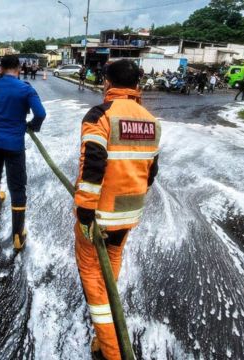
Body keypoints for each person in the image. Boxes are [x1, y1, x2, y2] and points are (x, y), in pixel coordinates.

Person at [74, 59, 160, 360]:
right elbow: (151, 174)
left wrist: (85, 212)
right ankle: (107, 324)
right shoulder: (151, 120)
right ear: (137, 85)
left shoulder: (100, 115)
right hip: (129, 212)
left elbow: (93, 167)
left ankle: (110, 348)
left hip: (100, 213)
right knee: (111, 263)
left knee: (91, 272)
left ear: (108, 84)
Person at [0, 55, 47, 251]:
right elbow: (41, 113)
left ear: (0, 69)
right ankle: (18, 236)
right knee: (17, 188)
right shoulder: (26, 89)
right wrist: (32, 126)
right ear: (19, 69)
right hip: (14, 145)